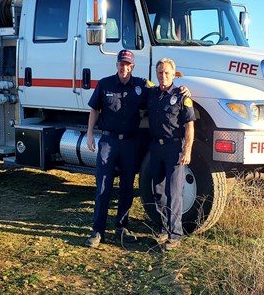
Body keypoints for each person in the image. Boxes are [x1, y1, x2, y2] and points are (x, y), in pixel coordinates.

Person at [84, 49, 146, 248]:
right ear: (117, 65)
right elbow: (95, 109)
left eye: (127, 64)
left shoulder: (142, 85)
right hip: (108, 143)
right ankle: (98, 231)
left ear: (132, 66)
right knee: (103, 187)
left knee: (127, 187)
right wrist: (90, 133)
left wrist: (182, 90)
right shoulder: (105, 84)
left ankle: (121, 227)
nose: (123, 67)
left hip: (130, 143)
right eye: (121, 64)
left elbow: (161, 91)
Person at [147, 58, 196, 251]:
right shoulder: (151, 94)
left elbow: (189, 125)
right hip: (155, 148)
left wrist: (187, 150)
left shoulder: (182, 95)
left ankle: (175, 234)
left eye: (167, 73)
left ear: (174, 74)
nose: (163, 76)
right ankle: (164, 228)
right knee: (158, 191)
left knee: (173, 192)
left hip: (174, 149)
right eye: (160, 72)